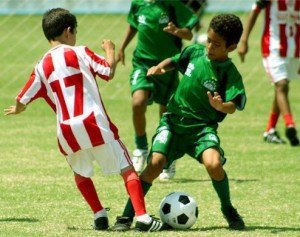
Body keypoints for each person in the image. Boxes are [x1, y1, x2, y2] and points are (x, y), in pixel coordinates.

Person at [4, 8, 166, 232]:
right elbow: (108, 71)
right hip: (93, 122)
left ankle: (99, 215)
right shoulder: (80, 52)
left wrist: (19, 109)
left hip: (66, 130)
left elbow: (23, 97)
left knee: (80, 172)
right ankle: (143, 217)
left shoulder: (41, 66)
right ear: (68, 31)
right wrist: (110, 51)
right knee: (127, 168)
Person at [112, 13, 246, 231]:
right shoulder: (195, 52)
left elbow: (234, 104)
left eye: (216, 44)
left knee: (214, 164)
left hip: (201, 129)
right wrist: (160, 67)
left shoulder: (228, 73)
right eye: (209, 40)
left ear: (230, 47)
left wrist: (221, 106)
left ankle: (228, 208)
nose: (209, 47)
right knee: (154, 165)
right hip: (173, 123)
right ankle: (128, 215)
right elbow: (175, 60)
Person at [117, 0, 199, 180]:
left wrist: (176, 31)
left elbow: (188, 33)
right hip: (143, 63)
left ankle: (167, 157)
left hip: (167, 67)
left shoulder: (172, 6)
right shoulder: (138, 4)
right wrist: (122, 47)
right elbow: (133, 26)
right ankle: (141, 148)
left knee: (166, 115)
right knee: (138, 102)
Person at [238, 0, 300, 146]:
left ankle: (270, 130)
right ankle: (290, 125)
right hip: (272, 47)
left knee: (281, 88)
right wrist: (244, 40)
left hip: (293, 49)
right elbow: (255, 11)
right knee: (281, 84)